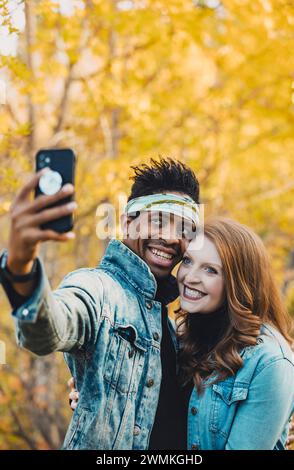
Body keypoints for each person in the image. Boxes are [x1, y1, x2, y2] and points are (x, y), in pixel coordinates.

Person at [0, 158, 200, 450]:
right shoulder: (98, 289)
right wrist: (20, 266)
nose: (171, 238)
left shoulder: (169, 327)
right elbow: (48, 329)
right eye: (158, 220)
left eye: (184, 228)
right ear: (126, 221)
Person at [175, 217, 294, 449]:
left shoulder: (270, 363)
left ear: (239, 282)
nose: (189, 277)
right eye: (187, 261)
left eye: (211, 270)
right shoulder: (183, 335)